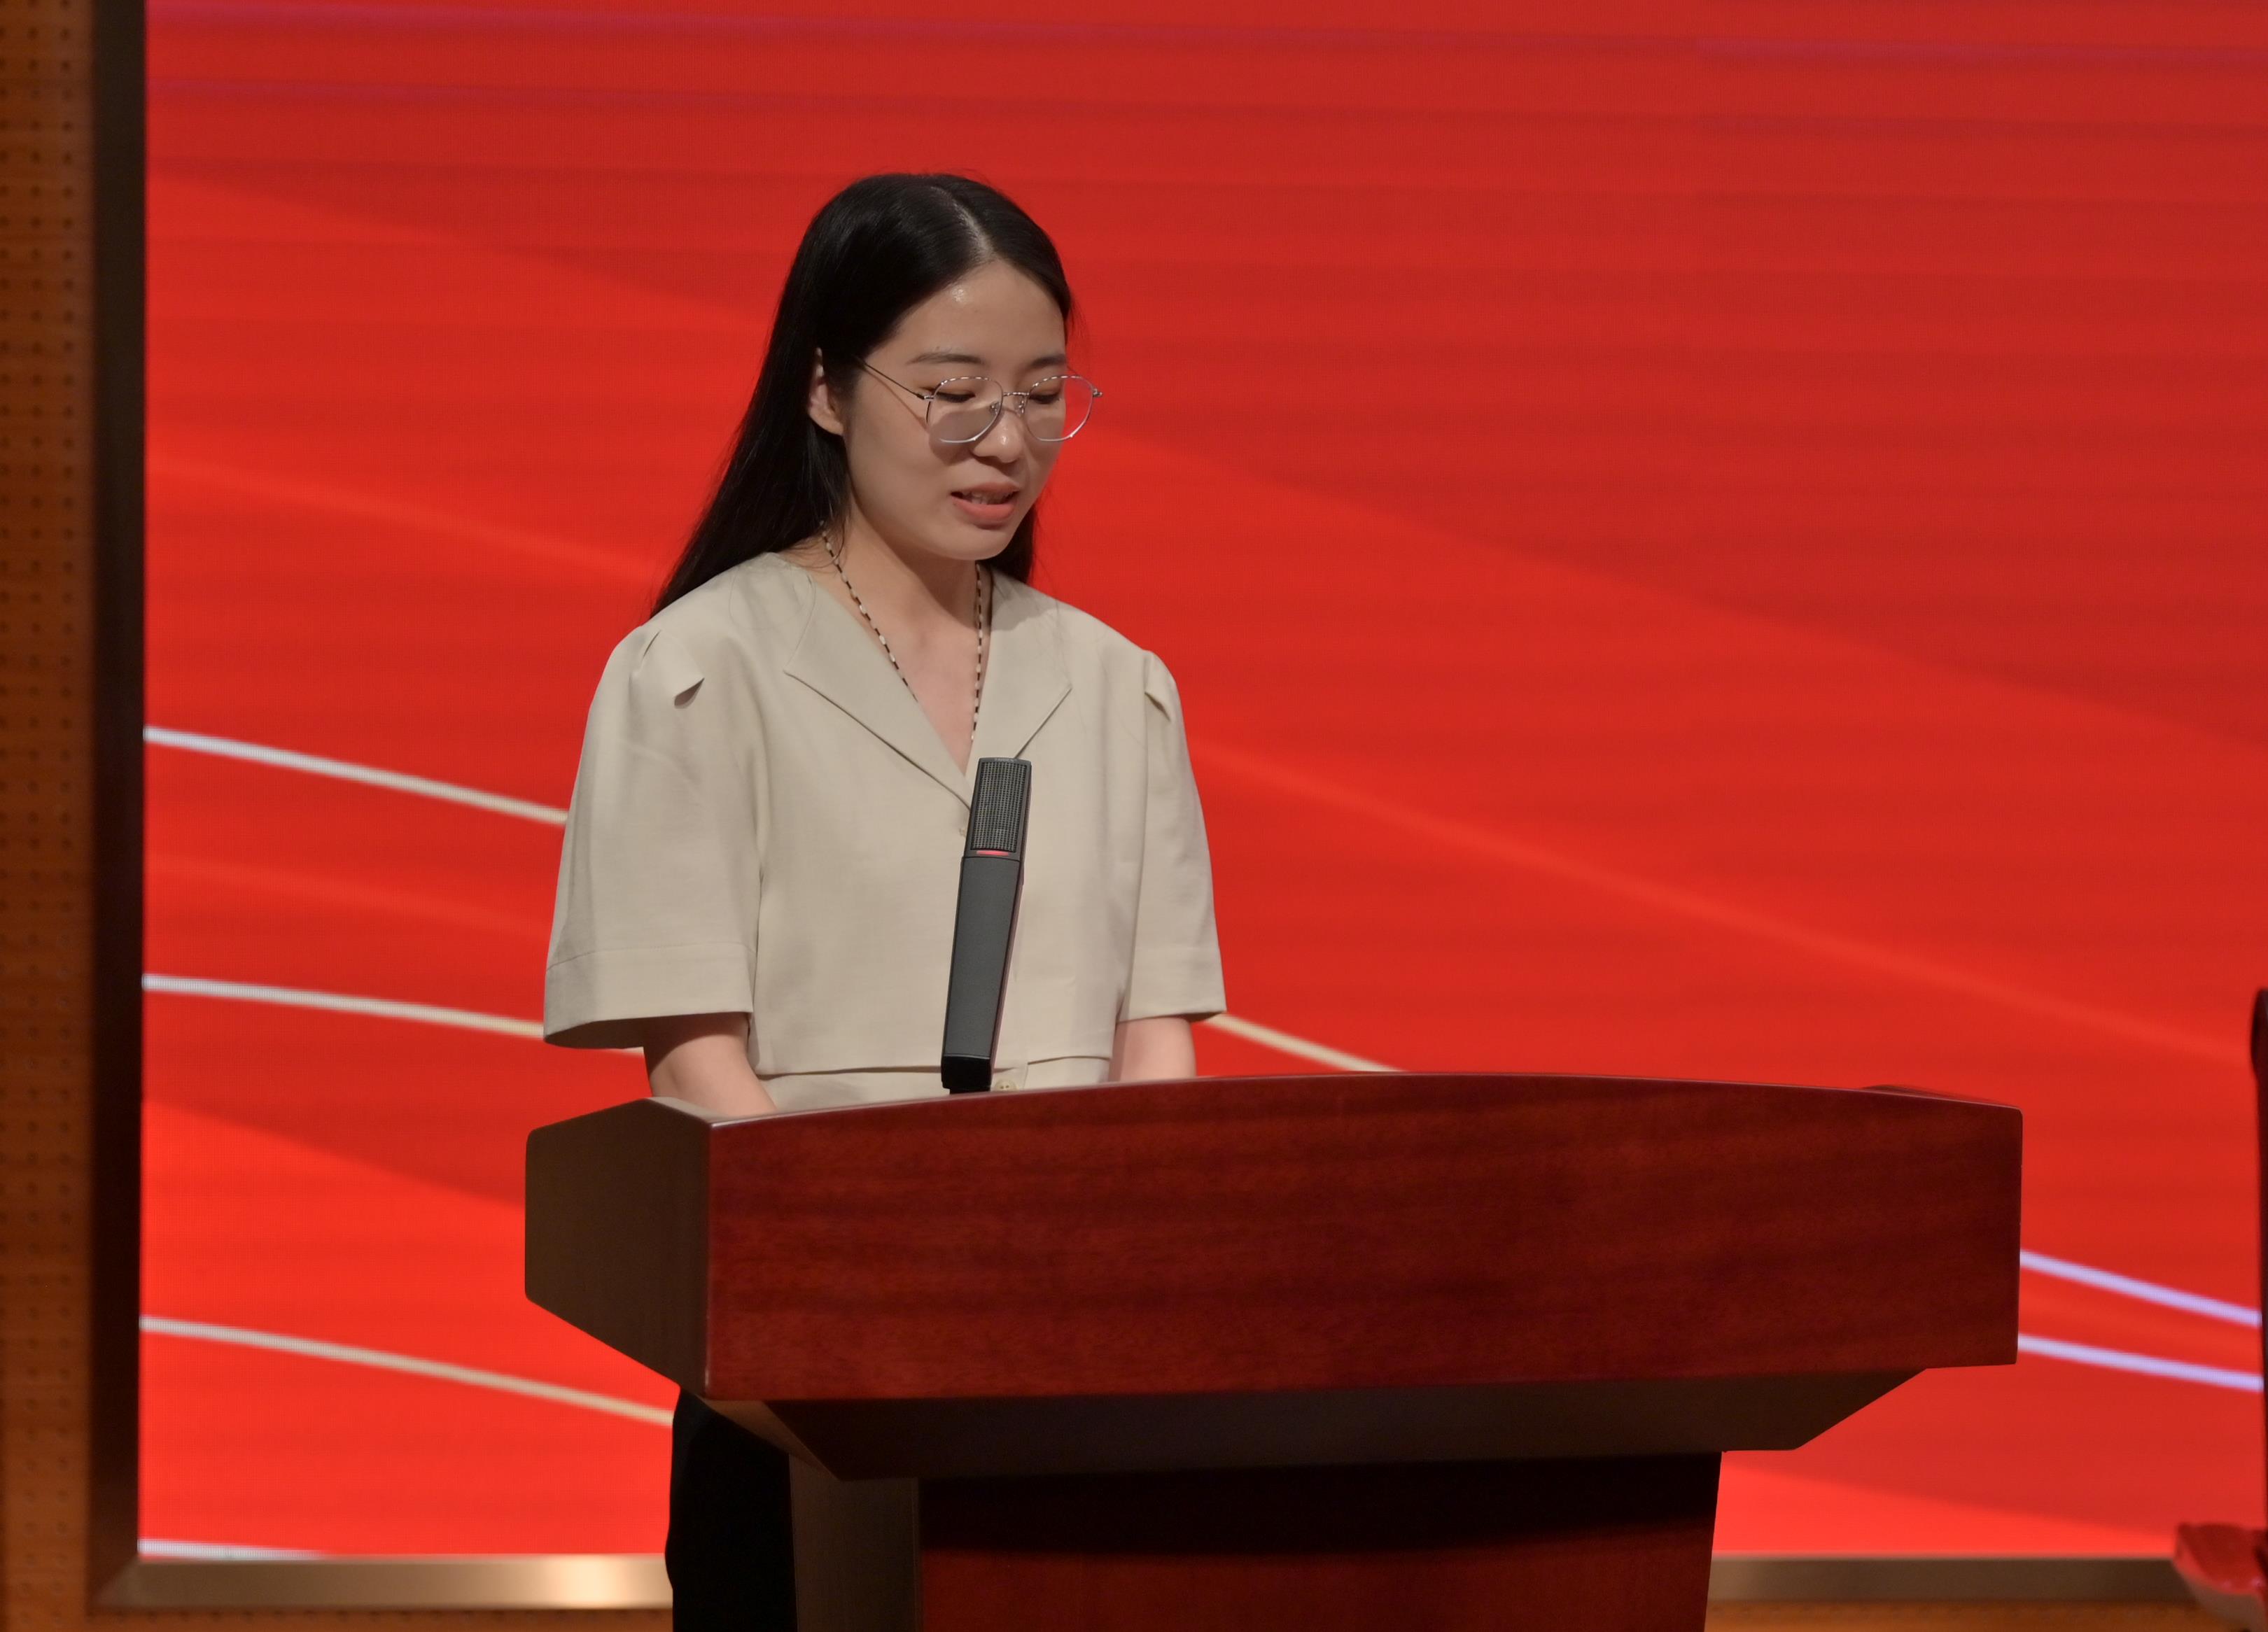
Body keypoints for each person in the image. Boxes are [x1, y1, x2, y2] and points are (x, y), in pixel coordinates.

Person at [539, 173, 1226, 1628]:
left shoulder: (1119, 686)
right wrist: (867, 1277)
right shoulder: (696, 668)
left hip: (1069, 1378)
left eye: (1042, 394)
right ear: (828, 389)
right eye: (953, 394)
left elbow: (1155, 1051)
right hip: (801, 1374)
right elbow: (692, 1058)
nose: (1007, 441)